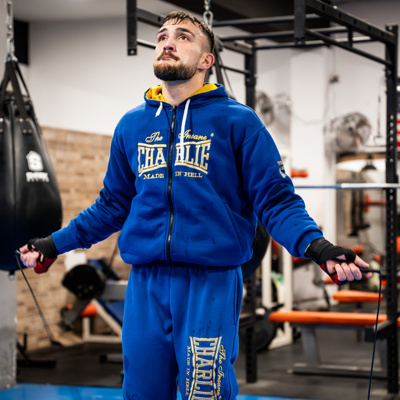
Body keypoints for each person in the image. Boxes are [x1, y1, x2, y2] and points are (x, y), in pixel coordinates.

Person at [19, 10, 372, 400]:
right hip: (146, 282)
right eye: (162, 36)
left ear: (207, 60)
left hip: (211, 281)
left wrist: (317, 247)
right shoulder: (132, 125)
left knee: (205, 391)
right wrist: (53, 244)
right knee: (142, 391)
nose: (168, 42)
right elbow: (111, 206)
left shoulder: (239, 122)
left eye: (183, 37)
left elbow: (275, 200)